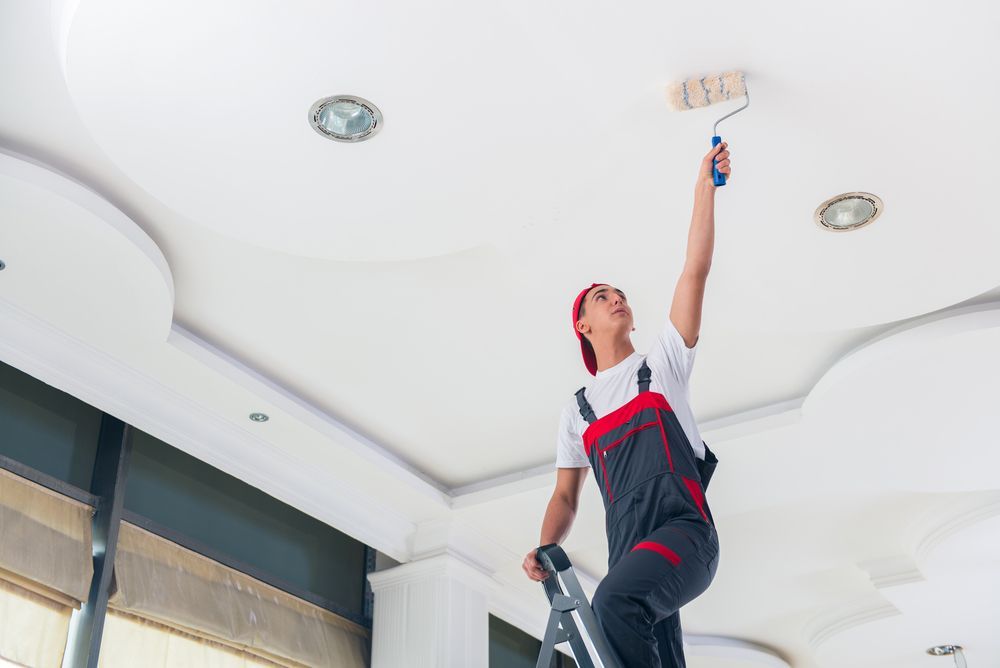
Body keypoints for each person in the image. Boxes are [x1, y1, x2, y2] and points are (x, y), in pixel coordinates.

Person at [522, 142, 731, 667]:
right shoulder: (578, 412)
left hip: (684, 538)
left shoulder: (662, 366)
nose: (618, 297)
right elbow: (565, 498)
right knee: (641, 636)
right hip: (633, 560)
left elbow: (695, 270)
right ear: (582, 325)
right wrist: (546, 548)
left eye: (620, 294)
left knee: (614, 602)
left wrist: (704, 184)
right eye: (601, 296)